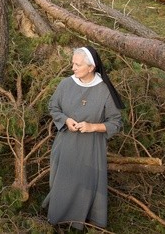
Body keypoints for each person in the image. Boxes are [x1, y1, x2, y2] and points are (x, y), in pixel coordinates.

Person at [42, 46, 125, 231]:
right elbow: (53, 107)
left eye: (77, 64)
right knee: (62, 181)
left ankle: (84, 219)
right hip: (65, 144)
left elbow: (115, 123)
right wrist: (65, 120)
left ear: (91, 67)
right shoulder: (65, 84)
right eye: (73, 63)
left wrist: (92, 127)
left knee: (86, 184)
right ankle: (58, 218)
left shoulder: (104, 91)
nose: (72, 67)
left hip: (91, 148)